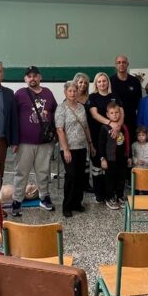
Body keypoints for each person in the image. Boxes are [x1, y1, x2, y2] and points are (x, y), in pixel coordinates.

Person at [11, 66, 58, 216]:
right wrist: (14, 141)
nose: (32, 78)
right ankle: (17, 201)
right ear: (25, 79)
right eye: (29, 76)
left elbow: (55, 113)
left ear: (40, 77)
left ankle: (44, 198)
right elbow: (13, 117)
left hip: (44, 143)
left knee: (43, 172)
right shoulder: (20, 94)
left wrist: (54, 137)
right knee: (21, 173)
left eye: (35, 75)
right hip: (24, 143)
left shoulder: (48, 93)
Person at [55, 81, 94, 217]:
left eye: (74, 91)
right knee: (71, 176)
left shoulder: (82, 107)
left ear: (78, 92)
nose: (72, 93)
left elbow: (86, 126)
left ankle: (77, 203)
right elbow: (60, 130)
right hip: (68, 149)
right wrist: (66, 149)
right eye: (70, 91)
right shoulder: (61, 108)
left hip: (82, 147)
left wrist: (90, 144)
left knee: (80, 176)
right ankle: (67, 206)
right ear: (65, 92)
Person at [87, 72, 121, 203]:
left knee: (111, 166)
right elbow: (94, 115)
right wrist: (111, 123)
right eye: (99, 81)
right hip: (97, 135)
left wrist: (117, 126)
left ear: (108, 82)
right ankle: (98, 194)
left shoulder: (114, 96)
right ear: (96, 83)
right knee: (98, 164)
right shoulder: (93, 97)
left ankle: (110, 194)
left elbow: (121, 112)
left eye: (104, 81)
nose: (102, 83)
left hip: (113, 136)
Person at [97, 102, 131, 210]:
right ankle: (109, 198)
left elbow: (127, 143)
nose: (115, 115)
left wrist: (129, 157)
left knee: (121, 179)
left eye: (116, 112)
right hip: (110, 159)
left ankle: (120, 196)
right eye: (112, 113)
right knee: (110, 179)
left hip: (122, 159)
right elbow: (101, 145)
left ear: (120, 113)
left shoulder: (124, 127)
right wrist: (102, 159)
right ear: (107, 115)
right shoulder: (104, 128)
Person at [109, 54, 143, 141]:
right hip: (115, 121)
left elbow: (139, 102)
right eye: (119, 62)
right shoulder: (110, 81)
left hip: (131, 120)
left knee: (131, 144)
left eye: (124, 62)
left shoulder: (135, 81)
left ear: (127, 64)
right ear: (115, 65)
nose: (121, 64)